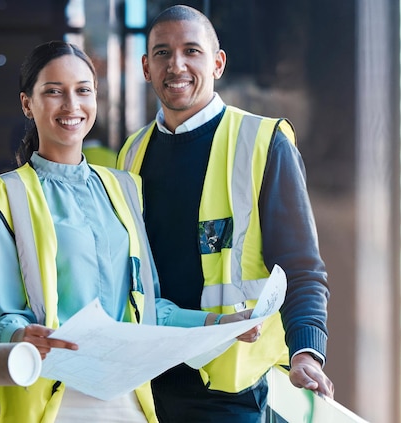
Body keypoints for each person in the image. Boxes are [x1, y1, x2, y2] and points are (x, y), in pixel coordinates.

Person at [0, 40, 260, 423]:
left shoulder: (124, 188)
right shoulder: (4, 194)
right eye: (54, 92)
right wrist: (19, 336)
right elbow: (4, 316)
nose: (71, 106)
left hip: (128, 399)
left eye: (83, 91)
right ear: (28, 104)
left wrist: (218, 325)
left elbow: (150, 310)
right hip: (53, 399)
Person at [117, 5, 334, 422]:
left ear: (217, 63)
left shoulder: (263, 143)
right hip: (147, 387)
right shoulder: (131, 154)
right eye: (162, 53)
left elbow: (302, 268)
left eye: (191, 51)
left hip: (232, 392)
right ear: (146, 67)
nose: (176, 64)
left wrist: (307, 353)